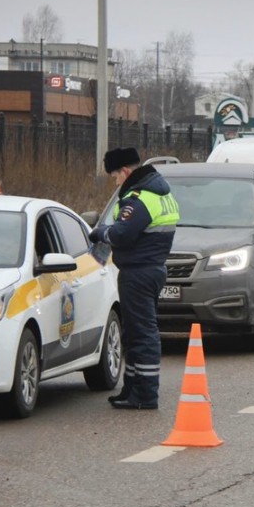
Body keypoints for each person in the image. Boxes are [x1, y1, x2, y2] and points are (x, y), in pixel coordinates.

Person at [88, 147, 179, 409]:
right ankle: (131, 388)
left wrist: (101, 233)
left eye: (115, 176)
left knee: (143, 333)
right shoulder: (160, 192)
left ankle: (146, 394)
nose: (115, 182)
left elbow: (122, 235)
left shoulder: (139, 197)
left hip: (138, 272)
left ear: (125, 171)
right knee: (134, 333)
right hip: (150, 268)